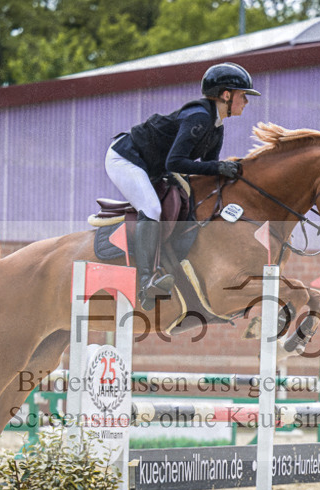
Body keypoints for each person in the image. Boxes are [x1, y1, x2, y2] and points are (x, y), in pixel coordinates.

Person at [105, 62, 260, 310]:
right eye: (243, 95)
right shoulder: (198, 117)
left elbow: (209, 169)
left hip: (154, 168)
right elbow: (175, 162)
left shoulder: (216, 126)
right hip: (126, 159)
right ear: (226, 95)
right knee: (152, 209)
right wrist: (219, 168)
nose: (247, 102)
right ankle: (146, 280)